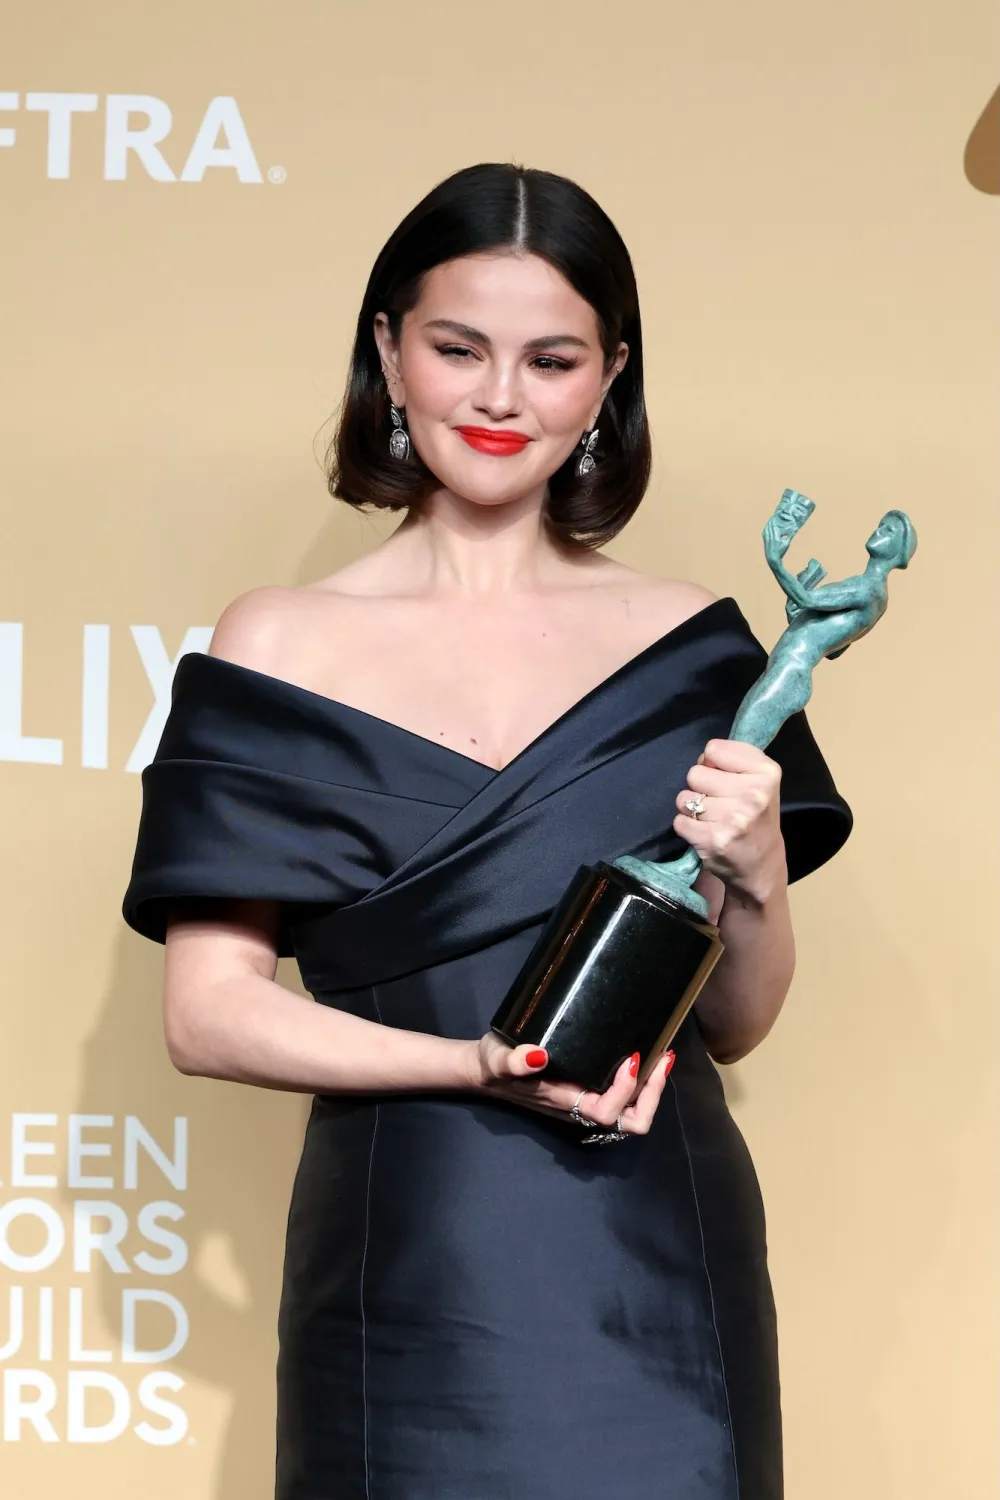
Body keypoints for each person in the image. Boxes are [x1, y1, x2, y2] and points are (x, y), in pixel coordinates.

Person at [122, 162, 852, 1500]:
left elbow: (734, 1022)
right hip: (409, 1263)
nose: (501, 398)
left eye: (551, 360)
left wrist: (755, 869)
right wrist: (471, 1065)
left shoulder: (696, 645)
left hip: (658, 1274)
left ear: (609, 378)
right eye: (459, 348)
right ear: (389, 351)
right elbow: (206, 1014)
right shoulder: (277, 642)